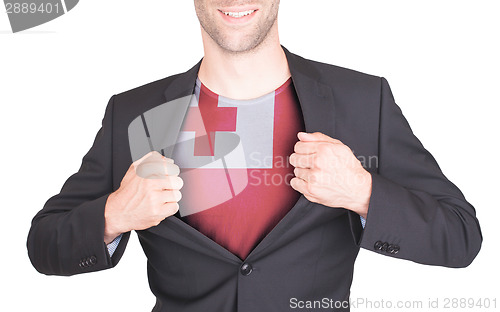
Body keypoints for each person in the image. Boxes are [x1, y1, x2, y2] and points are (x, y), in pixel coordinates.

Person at [27, 1, 482, 311]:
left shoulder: (363, 101)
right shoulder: (135, 113)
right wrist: (114, 214)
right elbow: (44, 245)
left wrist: (363, 192)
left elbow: (460, 236)